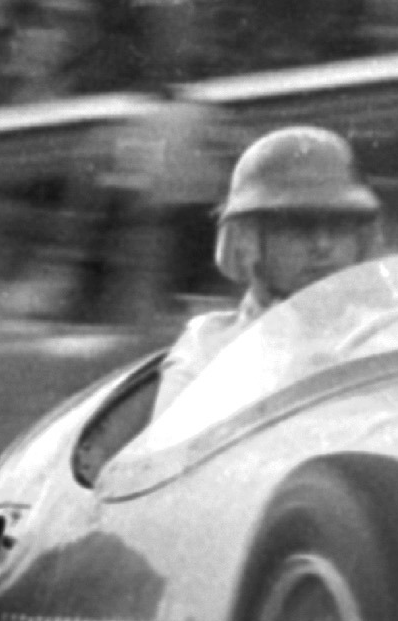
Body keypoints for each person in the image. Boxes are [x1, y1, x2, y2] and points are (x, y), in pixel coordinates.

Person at [153, 126, 383, 417]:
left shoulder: (394, 331)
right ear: (249, 240)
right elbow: (171, 455)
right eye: (298, 227)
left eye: (339, 227)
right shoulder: (207, 347)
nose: (323, 245)